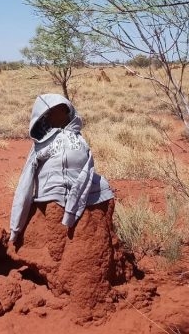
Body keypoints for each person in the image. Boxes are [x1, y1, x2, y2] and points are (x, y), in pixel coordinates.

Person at [8, 93, 114, 249]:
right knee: (56, 231)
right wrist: (15, 229)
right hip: (53, 194)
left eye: (64, 110)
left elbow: (89, 164)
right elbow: (25, 183)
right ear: (45, 116)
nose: (60, 114)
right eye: (54, 111)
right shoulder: (40, 144)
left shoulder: (78, 138)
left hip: (84, 190)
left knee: (104, 191)